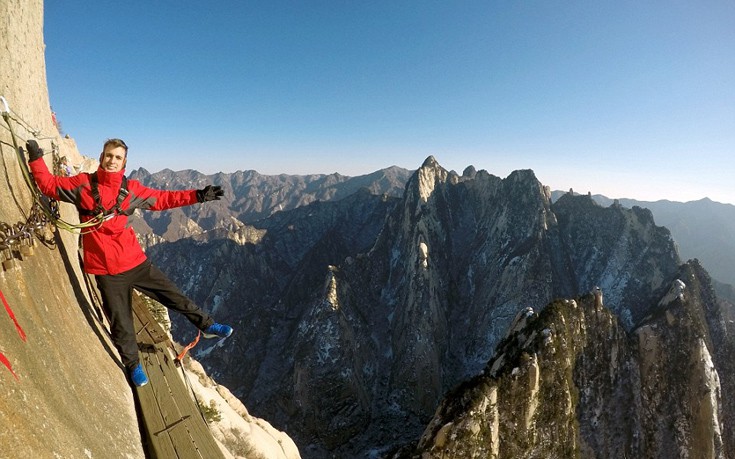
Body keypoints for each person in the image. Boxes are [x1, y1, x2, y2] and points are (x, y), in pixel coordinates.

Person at [25, 138, 233, 387]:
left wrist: (198, 196)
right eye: (109, 155)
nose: (112, 160)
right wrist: (36, 158)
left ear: (124, 162)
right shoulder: (82, 185)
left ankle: (208, 326)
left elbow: (164, 199)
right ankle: (133, 366)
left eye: (117, 157)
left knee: (175, 296)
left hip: (135, 262)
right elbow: (49, 186)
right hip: (106, 270)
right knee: (121, 322)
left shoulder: (131, 190)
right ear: (102, 157)